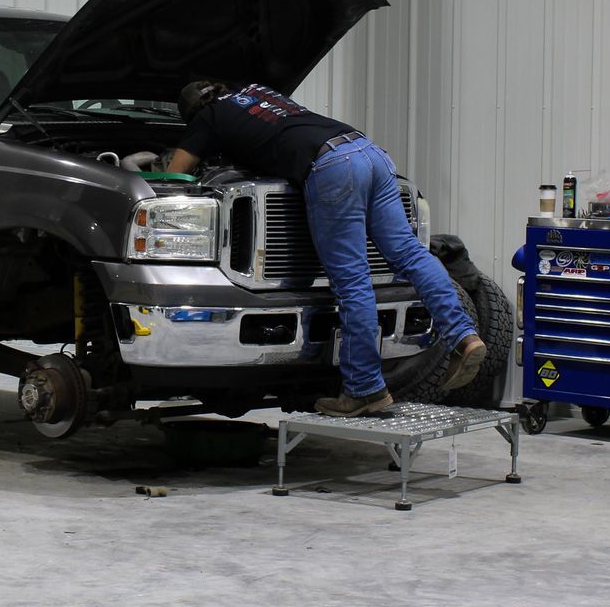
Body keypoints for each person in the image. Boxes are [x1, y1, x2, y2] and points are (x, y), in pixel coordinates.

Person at [160, 80, 484, 417]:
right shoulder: (260, 92)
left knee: (353, 281)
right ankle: (463, 336)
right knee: (410, 253)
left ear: (192, 111)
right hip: (369, 153)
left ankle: (365, 389)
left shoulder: (209, 116)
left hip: (333, 167)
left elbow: (174, 175)